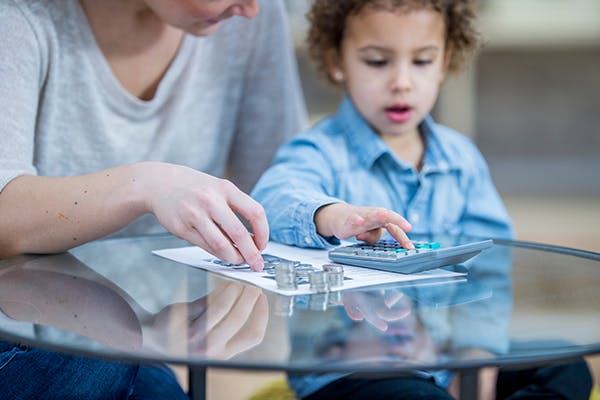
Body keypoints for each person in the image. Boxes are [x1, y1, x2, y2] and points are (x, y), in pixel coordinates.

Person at [252, 0, 592, 399]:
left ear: (445, 61)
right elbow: (272, 199)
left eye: (422, 61)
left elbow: (488, 274)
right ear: (336, 60)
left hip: (443, 361)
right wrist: (334, 214)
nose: (401, 82)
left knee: (566, 366)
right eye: (378, 62)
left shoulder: (461, 161)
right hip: (350, 374)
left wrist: (476, 358)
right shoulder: (318, 150)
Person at [0, 0, 306, 397]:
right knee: (97, 360)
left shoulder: (250, 21)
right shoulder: (20, 18)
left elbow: (278, 182)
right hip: (29, 339)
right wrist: (144, 185)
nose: (250, 9)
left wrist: (321, 210)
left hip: (137, 346)